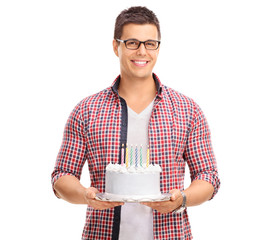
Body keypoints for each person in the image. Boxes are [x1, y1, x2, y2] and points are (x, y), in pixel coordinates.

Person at [51, 6, 220, 240]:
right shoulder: (87, 110)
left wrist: (182, 198)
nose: (142, 52)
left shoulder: (187, 110)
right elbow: (62, 175)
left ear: (158, 48)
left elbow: (208, 176)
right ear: (115, 46)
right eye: (132, 43)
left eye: (150, 43)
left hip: (170, 234)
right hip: (101, 234)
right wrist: (84, 195)